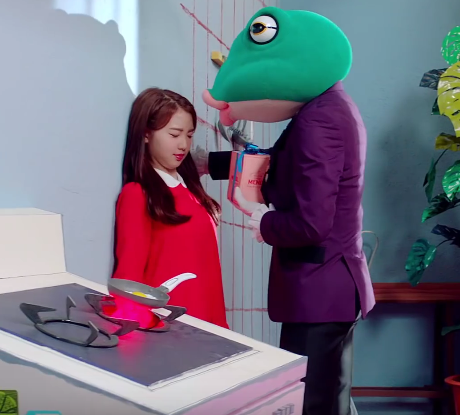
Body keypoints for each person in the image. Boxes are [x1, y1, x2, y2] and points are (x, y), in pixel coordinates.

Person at [201, 7, 374, 415]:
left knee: (312, 405)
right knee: (324, 400)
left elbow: (312, 223)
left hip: (320, 288)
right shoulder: (328, 107)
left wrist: (264, 221)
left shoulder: (319, 120)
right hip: (328, 289)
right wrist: (208, 163)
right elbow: (278, 165)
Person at [112, 87, 229, 329]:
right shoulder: (138, 194)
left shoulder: (194, 194)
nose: (183, 145)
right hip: (168, 328)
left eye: (189, 135)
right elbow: (129, 278)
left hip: (209, 326)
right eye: (174, 134)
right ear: (146, 134)